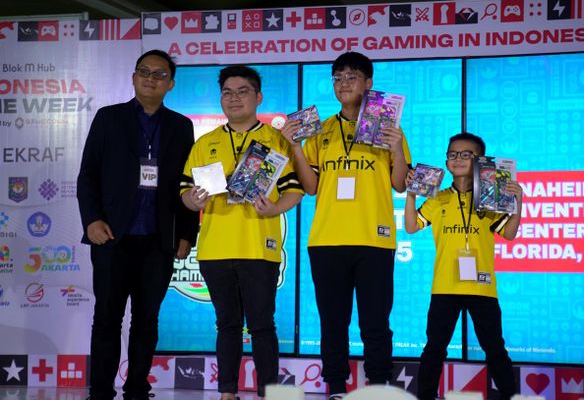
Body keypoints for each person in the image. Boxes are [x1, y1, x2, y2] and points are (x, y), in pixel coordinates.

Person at [281, 52, 411, 399]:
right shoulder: (320, 130)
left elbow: (400, 184)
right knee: (333, 322)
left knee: (375, 322)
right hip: (327, 240)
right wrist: (295, 147)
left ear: (369, 83)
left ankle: (379, 385)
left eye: (352, 77)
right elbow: (311, 187)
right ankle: (336, 386)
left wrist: (398, 148)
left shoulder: (388, 128)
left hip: (375, 240)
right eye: (337, 77)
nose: (343, 84)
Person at [77, 49, 198, 400]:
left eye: (159, 74)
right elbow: (88, 175)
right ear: (133, 77)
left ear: (170, 84)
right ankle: (101, 391)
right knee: (107, 318)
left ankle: (137, 389)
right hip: (112, 236)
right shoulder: (109, 118)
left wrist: (186, 233)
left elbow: (188, 183)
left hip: (158, 240)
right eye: (144, 71)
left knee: (147, 320)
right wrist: (92, 220)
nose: (150, 78)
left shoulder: (181, 126)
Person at [180, 65, 304, 400]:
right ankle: (227, 393)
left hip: (258, 247)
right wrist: (193, 200)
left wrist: (274, 209)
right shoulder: (206, 142)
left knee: (262, 325)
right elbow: (185, 192)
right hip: (215, 249)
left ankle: (269, 392)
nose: (234, 98)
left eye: (242, 91)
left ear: (258, 97)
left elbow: (295, 190)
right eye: (227, 93)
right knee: (227, 325)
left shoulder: (276, 140)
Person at [404, 132, 523, 400]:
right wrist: (411, 196)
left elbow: (509, 233)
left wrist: (518, 203)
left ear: (481, 161)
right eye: (452, 154)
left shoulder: (491, 198)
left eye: (466, 154)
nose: (457, 159)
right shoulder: (438, 198)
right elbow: (411, 227)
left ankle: (511, 396)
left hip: (482, 287)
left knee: (495, 348)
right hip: (445, 286)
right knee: (434, 348)